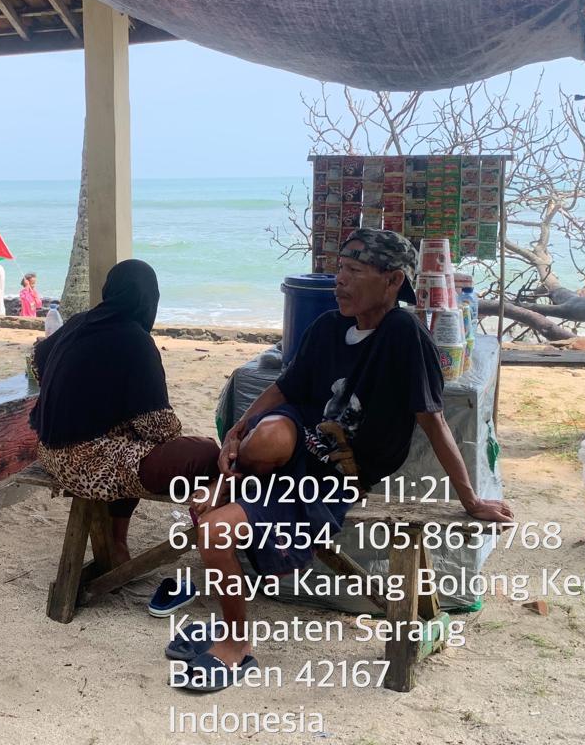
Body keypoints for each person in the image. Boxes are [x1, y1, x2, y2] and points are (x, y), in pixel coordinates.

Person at [174, 228, 514, 692]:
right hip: (295, 439)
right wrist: (238, 428)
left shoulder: (402, 335)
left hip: (333, 471)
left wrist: (470, 498)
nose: (340, 280)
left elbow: (434, 421)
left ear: (393, 281)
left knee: (213, 532)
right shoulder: (327, 326)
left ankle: (236, 644)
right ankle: (228, 486)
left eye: (354, 270)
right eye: (339, 268)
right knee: (266, 436)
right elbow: (284, 389)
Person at [29, 260, 218, 570]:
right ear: (149, 300)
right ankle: (118, 542)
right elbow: (160, 428)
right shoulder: (135, 341)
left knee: (129, 439)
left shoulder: (78, 323)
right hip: (87, 466)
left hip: (50, 452)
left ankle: (117, 542)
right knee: (207, 453)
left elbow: (37, 361)